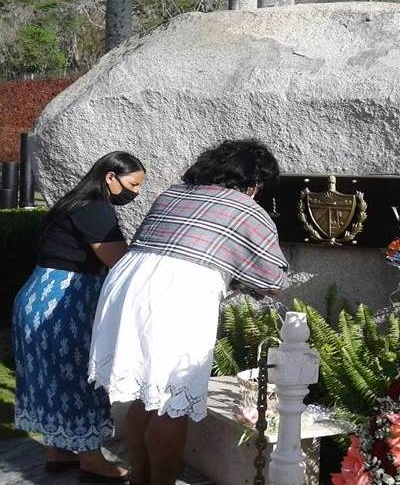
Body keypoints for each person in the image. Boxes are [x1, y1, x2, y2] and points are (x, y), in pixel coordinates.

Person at [88, 139, 289, 485]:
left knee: (146, 396)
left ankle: (140, 479)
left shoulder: (174, 193)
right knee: (171, 403)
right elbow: (274, 277)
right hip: (177, 296)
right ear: (253, 183)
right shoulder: (246, 207)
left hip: (129, 285)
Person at [12, 151, 146, 483]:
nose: (137, 193)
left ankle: (60, 453)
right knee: (78, 378)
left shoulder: (75, 202)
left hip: (40, 297)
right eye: (133, 184)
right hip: (64, 303)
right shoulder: (95, 208)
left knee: (52, 377)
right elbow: (118, 261)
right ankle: (91, 460)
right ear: (110, 178)